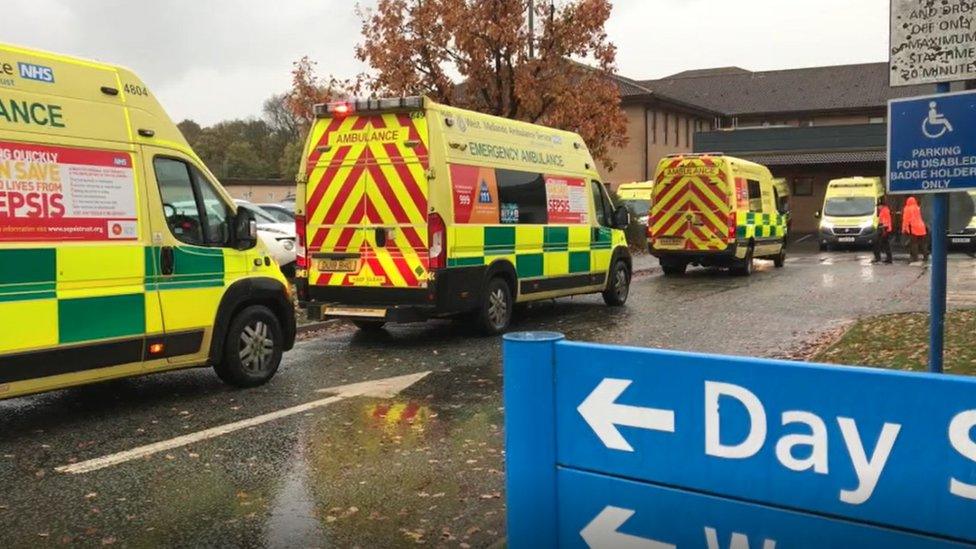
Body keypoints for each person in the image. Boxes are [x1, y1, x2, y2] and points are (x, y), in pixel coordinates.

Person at [902, 196, 928, 264]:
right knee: (923, 243)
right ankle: (925, 256)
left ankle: (915, 257)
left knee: (914, 244)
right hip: (922, 227)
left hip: (913, 228)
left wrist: (904, 229)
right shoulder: (918, 208)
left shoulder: (907, 209)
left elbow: (905, 220)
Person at [873, 199, 893, 264]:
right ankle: (888, 259)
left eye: (878, 206)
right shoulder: (884, 210)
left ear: (882, 206)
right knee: (885, 244)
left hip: (884, 229)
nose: (878, 207)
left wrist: (883, 228)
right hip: (884, 229)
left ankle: (878, 258)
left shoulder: (885, 211)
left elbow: (885, 221)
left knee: (877, 244)